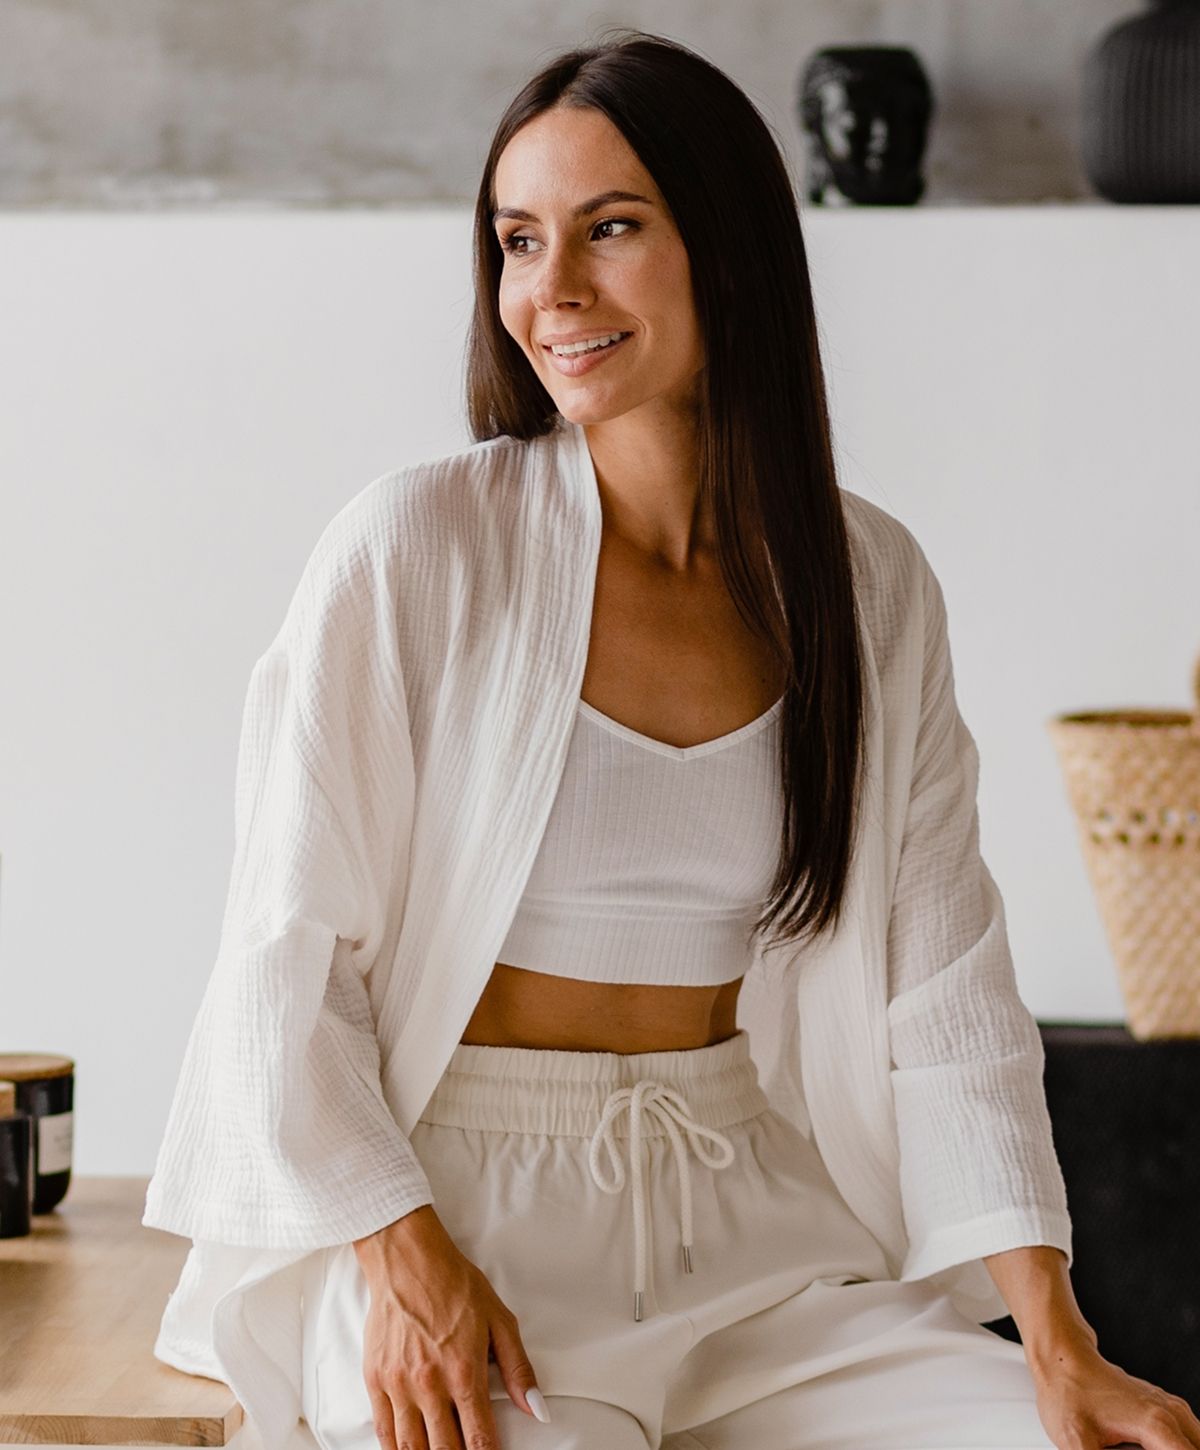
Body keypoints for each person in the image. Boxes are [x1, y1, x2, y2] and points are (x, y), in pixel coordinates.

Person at [141, 28, 1200, 1450]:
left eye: (611, 228)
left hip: (749, 1229)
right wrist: (404, 1260)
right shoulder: (417, 547)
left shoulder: (866, 585)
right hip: (463, 1224)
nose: (551, 289)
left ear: (729, 247)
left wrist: (1060, 1343)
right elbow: (286, 957)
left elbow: (948, 996)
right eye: (518, 240)